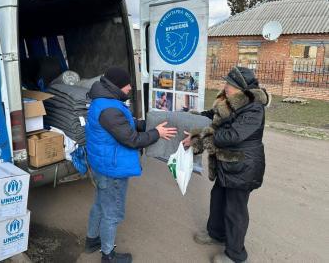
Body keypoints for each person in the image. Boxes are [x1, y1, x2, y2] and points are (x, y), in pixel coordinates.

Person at [85, 67, 177, 263]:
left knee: (100, 205)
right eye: (127, 84)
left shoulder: (104, 100)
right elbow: (132, 139)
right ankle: (108, 255)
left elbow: (124, 123)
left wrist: (146, 124)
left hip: (103, 164)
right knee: (112, 212)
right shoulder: (109, 108)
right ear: (117, 85)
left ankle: (92, 240)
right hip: (112, 169)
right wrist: (156, 134)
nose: (129, 88)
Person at [183, 66, 271, 263]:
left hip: (243, 166)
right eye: (226, 83)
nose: (226, 87)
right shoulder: (230, 101)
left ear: (241, 88)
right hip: (228, 164)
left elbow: (232, 135)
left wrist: (200, 135)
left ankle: (236, 255)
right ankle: (216, 234)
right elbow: (213, 116)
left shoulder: (254, 108)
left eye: (230, 85)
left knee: (235, 211)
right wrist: (191, 117)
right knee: (218, 199)